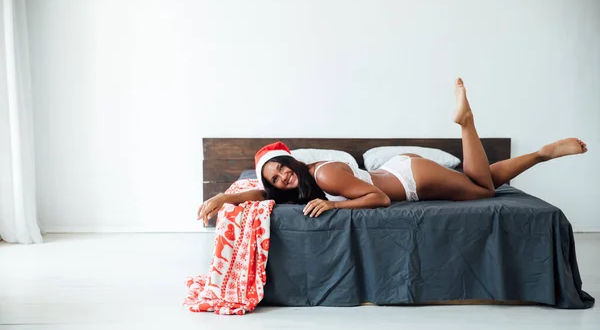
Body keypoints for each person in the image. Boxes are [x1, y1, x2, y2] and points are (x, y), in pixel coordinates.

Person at [197, 78, 588, 225]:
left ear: (291, 161)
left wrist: (335, 207)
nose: (282, 179)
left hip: (410, 179)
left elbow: (380, 198)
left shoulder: (324, 175)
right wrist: (222, 197)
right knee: (478, 179)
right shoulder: (297, 183)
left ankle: (467, 122)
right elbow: (263, 194)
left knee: (484, 192)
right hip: (407, 173)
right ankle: (541, 154)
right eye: (275, 180)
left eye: (281, 169)